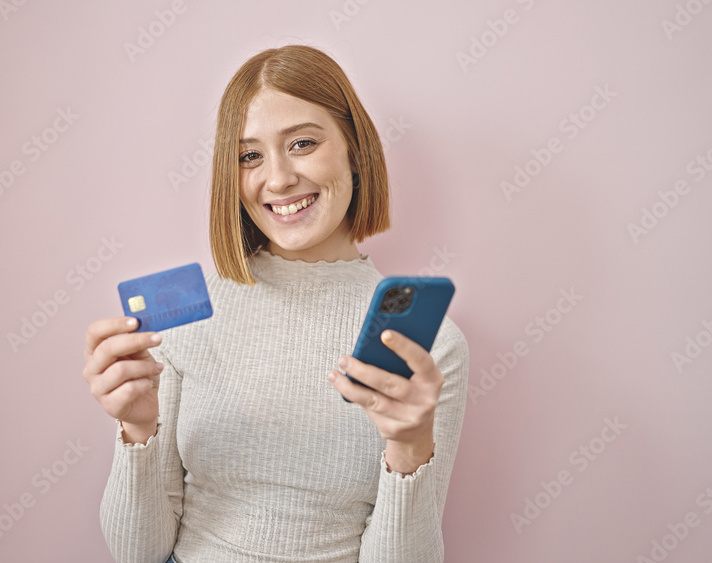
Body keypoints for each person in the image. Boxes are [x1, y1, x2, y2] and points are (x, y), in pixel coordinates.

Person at [82, 45, 468, 563]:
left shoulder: (428, 348)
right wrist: (138, 431)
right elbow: (137, 553)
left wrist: (410, 452)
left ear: (355, 150)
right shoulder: (184, 322)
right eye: (249, 156)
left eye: (303, 143)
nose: (279, 178)